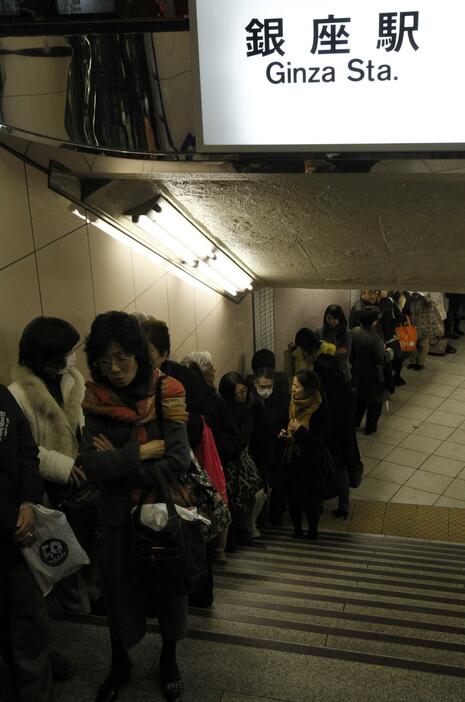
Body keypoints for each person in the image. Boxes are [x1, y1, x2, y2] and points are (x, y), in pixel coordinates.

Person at [79, 311, 191, 702]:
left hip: (160, 512)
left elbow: (178, 458)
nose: (113, 368)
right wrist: (140, 452)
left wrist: (119, 463)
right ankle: (119, 662)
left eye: (122, 357)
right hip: (116, 519)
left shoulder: (169, 390)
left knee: (169, 593)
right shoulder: (96, 398)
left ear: (140, 354)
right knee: (118, 594)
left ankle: (169, 659)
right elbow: (89, 463)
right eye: (104, 360)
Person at [8, 316, 93, 614]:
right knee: (62, 554)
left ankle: (88, 602)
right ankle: (76, 613)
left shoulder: (71, 381)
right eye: (67, 350)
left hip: (81, 485)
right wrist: (63, 465)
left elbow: (79, 427)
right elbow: (24, 450)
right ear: (47, 353)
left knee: (85, 547)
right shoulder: (18, 394)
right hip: (48, 491)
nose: (73, 355)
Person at [0, 384, 53, 702]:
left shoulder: (3, 398)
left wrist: (29, 503)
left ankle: (35, 688)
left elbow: (27, 451)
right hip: (11, 527)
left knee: (29, 618)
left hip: (19, 533)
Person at [136, 315, 208, 450]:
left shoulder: (184, 378)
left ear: (163, 354)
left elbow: (201, 424)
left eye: (147, 351)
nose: (141, 358)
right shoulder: (129, 381)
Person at [283, 370, 333, 540]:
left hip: (311, 461)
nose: (293, 390)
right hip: (292, 459)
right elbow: (288, 424)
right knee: (293, 497)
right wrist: (286, 433)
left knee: (310, 499)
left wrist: (300, 432)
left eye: (297, 387)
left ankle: (313, 531)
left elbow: (320, 439)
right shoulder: (291, 403)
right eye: (292, 385)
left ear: (308, 389)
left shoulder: (318, 407)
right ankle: (297, 530)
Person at [218, 372, 264, 548]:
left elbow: (261, 434)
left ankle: (244, 535)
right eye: (239, 392)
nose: (243, 395)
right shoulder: (222, 408)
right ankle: (234, 539)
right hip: (229, 461)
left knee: (249, 496)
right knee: (233, 501)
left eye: (244, 390)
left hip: (245, 458)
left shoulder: (253, 404)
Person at [313, 355, 362, 519]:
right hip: (345, 436)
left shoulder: (320, 393)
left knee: (320, 469)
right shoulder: (347, 389)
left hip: (326, 437)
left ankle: (318, 502)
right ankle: (343, 506)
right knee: (342, 470)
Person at [252, 367, 290, 527]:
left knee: (279, 485)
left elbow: (288, 420)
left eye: (268, 386)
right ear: (255, 384)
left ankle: (276, 517)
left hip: (277, 448)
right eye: (262, 386)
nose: (265, 390)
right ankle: (259, 518)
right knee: (258, 485)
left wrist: (283, 431)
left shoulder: (283, 399)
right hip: (257, 449)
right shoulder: (251, 400)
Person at [350, 307, 393, 435]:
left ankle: (355, 423)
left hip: (358, 372)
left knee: (360, 400)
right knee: (375, 402)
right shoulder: (375, 338)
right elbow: (380, 359)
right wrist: (389, 353)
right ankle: (370, 428)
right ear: (374, 321)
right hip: (374, 376)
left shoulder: (354, 332)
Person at [407, 292, 444, 370]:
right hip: (412, 317)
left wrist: (423, 297)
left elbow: (434, 302)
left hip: (424, 320)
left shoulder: (430, 287)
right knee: (412, 341)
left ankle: (421, 362)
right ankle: (412, 361)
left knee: (423, 343)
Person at [378, 291, 406, 386]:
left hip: (390, 337)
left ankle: (396, 377)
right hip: (380, 337)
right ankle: (389, 379)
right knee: (387, 360)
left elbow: (399, 316)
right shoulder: (370, 305)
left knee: (397, 357)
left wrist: (392, 327)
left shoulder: (389, 301)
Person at [319, 304, 352, 380]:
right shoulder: (320, 332)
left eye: (335, 318)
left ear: (340, 318)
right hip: (324, 372)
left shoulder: (346, 333)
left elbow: (345, 353)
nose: (331, 321)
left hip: (341, 370)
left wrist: (326, 351)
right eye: (329, 318)